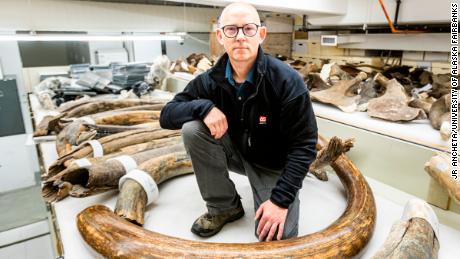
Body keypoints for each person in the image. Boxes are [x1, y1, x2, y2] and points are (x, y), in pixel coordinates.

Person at [159, 2, 317, 242]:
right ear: (221, 36)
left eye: (249, 29)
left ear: (261, 34)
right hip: (236, 152)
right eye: (232, 30)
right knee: (193, 129)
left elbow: (305, 145)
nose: (240, 37)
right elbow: (167, 115)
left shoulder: (286, 81)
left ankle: (270, 193)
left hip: (273, 163)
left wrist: (280, 200)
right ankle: (224, 206)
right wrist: (204, 107)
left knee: (278, 237)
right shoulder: (209, 81)